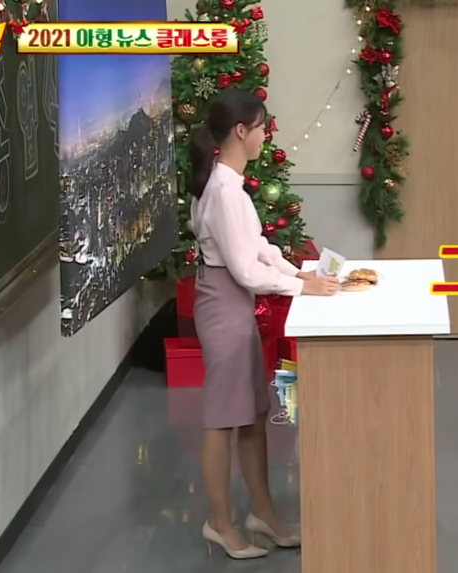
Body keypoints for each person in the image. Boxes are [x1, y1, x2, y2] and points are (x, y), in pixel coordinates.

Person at [189, 90, 338, 559]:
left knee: (253, 413)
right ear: (241, 131)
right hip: (224, 305)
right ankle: (219, 524)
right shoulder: (223, 191)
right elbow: (245, 271)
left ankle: (263, 514)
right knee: (223, 420)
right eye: (261, 129)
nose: (264, 137)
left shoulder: (230, 185)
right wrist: (300, 289)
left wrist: (298, 273)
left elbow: (258, 246)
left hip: (233, 304)